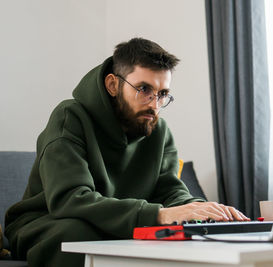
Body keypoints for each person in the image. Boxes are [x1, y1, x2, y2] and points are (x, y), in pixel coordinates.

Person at [4, 38, 249, 267]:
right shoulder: (70, 118)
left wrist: (201, 211)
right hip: (44, 223)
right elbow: (70, 199)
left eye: (162, 94)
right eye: (144, 89)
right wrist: (157, 216)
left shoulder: (158, 129)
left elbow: (170, 190)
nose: (154, 105)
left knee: (187, 235)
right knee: (82, 236)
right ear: (113, 84)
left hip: (118, 223)